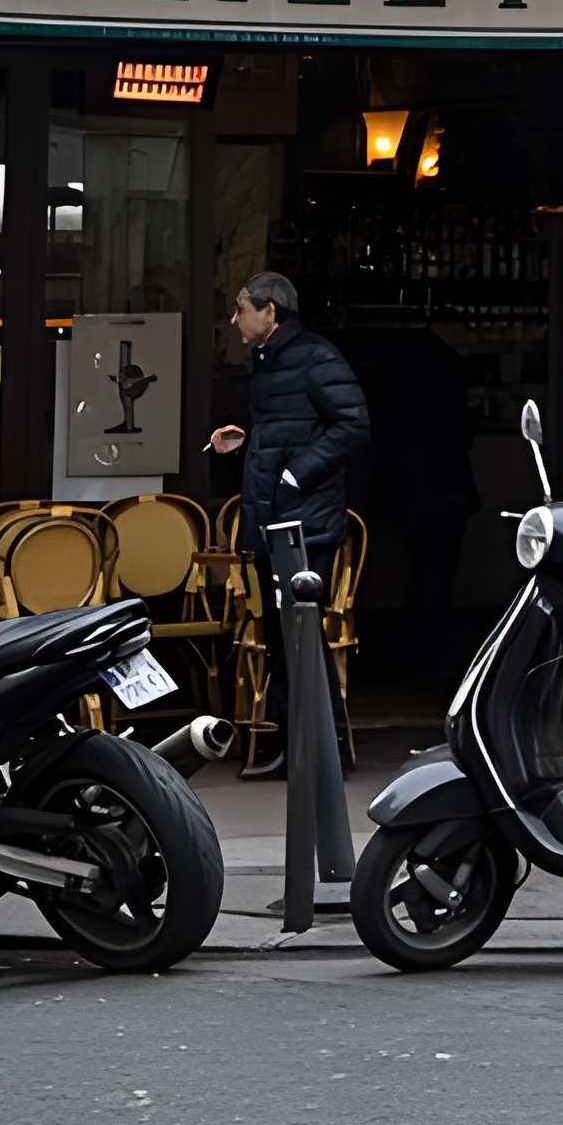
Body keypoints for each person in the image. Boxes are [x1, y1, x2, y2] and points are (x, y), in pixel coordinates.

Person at [206, 272, 370, 778]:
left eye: (242, 309)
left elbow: (353, 424)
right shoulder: (273, 361)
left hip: (302, 524)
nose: (235, 319)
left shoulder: (315, 357)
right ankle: (305, 748)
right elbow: (291, 430)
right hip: (279, 519)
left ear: (270, 312)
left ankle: (316, 750)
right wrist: (249, 442)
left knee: (298, 634)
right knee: (286, 636)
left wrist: (296, 475)